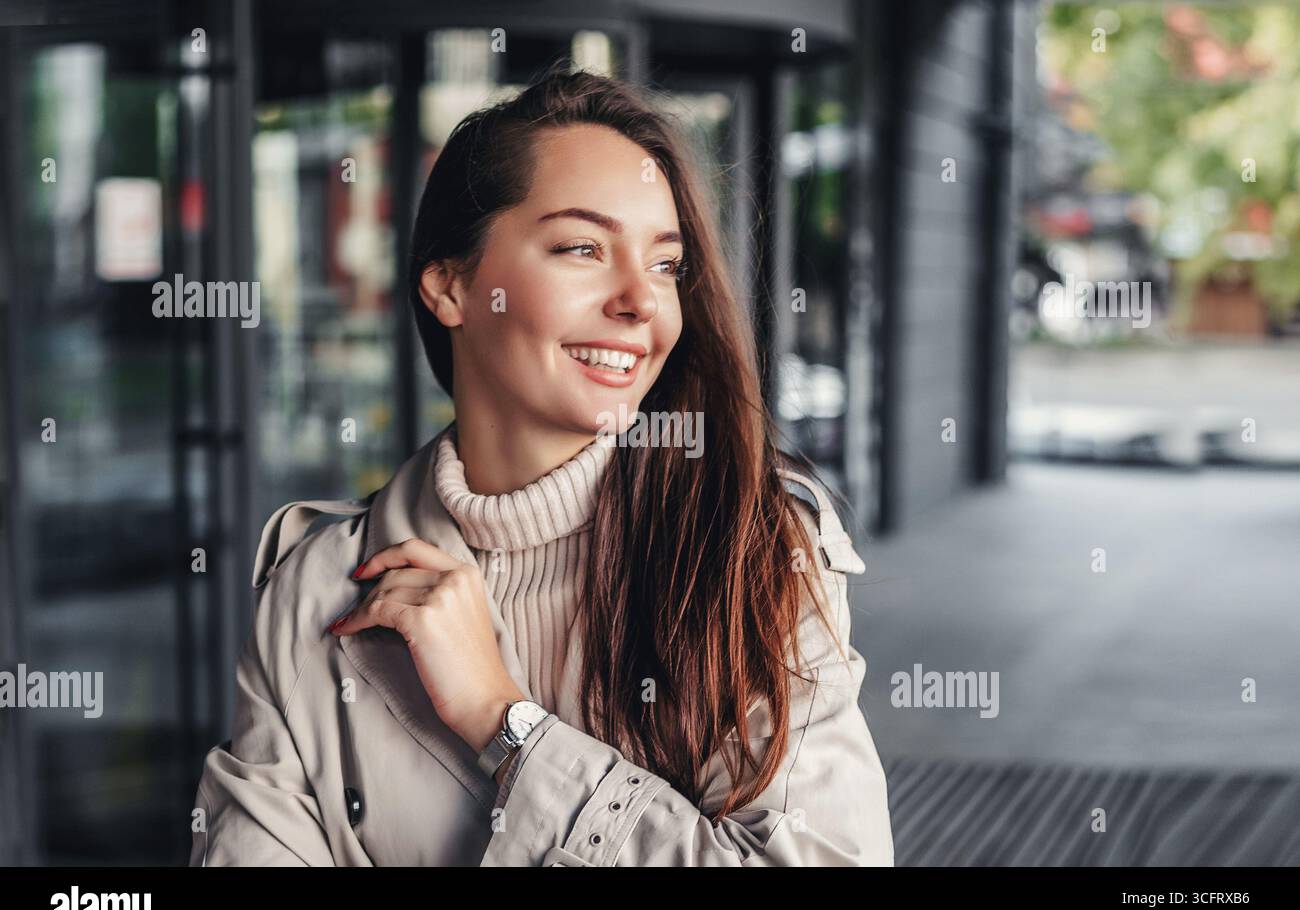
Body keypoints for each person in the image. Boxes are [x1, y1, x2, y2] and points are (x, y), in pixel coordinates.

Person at [189, 65, 893, 866]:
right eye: (582, 248)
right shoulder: (318, 586)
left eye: (665, 264)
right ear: (452, 286)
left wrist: (506, 722)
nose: (641, 301)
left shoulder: (751, 548)